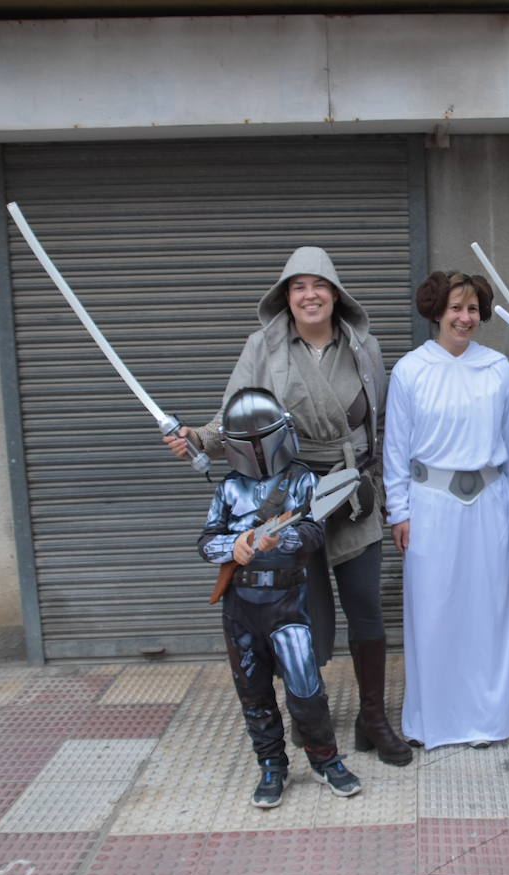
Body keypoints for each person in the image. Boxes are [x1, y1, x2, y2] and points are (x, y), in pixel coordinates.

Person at [166, 247, 412, 767]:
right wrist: (197, 439)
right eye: (298, 287)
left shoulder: (363, 346)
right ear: (285, 296)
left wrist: (392, 496)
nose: (310, 295)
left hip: (354, 490)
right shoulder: (263, 346)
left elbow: (384, 426)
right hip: (292, 496)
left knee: (366, 604)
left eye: (319, 285)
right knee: (306, 612)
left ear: (336, 293)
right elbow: (235, 413)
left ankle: (373, 718)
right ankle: (310, 715)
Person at [383, 271, 509, 749]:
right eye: (455, 309)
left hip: (490, 502)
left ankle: (487, 720)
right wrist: (399, 510)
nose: (464, 318)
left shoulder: (497, 369)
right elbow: (396, 449)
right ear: (436, 312)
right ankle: (431, 721)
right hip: (431, 506)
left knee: (489, 610)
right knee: (434, 612)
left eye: (472, 309)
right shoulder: (411, 370)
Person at [199, 387, 360, 805]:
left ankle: (325, 759)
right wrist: (234, 546)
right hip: (241, 608)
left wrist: (281, 538)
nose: (256, 448)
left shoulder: (303, 480)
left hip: (289, 603)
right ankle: (272, 766)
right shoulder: (228, 490)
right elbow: (206, 542)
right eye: (246, 441)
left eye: (262, 437)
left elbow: (314, 532)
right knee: (252, 693)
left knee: (306, 690)